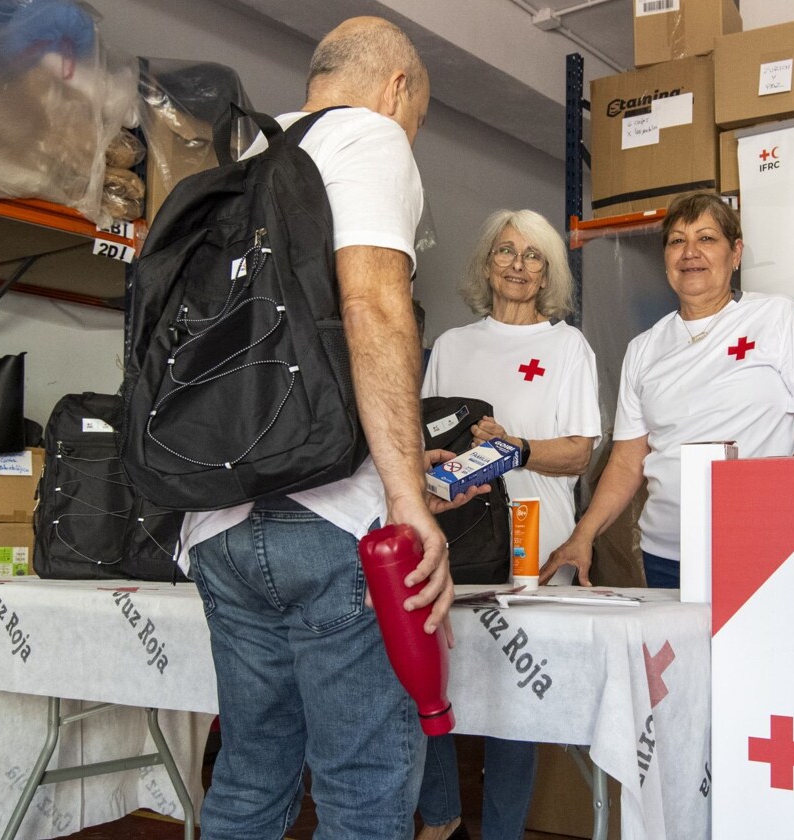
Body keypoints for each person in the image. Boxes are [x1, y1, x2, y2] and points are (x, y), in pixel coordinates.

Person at [177, 18, 479, 840]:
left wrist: (407, 452)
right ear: (398, 88)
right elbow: (372, 308)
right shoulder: (372, 138)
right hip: (330, 517)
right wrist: (407, 494)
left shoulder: (241, 161)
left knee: (248, 776)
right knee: (363, 788)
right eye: (416, 116)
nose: (411, 134)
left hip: (214, 523)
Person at [540, 190, 794, 590]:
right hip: (667, 555)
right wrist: (582, 536)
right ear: (665, 258)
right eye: (677, 241)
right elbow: (626, 462)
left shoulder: (776, 318)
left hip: (763, 545)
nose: (691, 252)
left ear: (735, 253)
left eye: (706, 238)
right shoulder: (644, 349)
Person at [416, 209, 602, 840]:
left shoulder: (565, 346)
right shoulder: (450, 346)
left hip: (535, 543)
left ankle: (501, 834)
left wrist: (515, 446)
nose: (518, 265)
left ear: (548, 272)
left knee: (514, 705)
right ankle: (441, 819)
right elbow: (426, 446)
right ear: (486, 264)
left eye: (533, 255)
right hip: (455, 542)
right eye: (506, 251)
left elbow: (579, 452)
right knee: (429, 683)